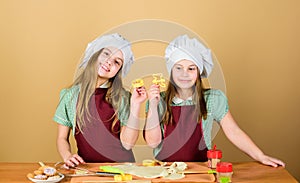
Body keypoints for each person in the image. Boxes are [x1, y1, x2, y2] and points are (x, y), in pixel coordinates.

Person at [144, 34, 285, 167]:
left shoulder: (213, 99)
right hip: (165, 170)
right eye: (178, 68)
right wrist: (153, 106)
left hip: (202, 169)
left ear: (199, 72)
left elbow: (234, 131)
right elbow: (152, 142)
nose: (184, 74)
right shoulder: (157, 100)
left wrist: (260, 156)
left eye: (191, 68)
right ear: (171, 71)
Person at [53, 33, 147, 167]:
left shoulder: (123, 97)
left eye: (117, 62)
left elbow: (128, 144)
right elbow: (62, 138)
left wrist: (136, 105)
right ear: (94, 54)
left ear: (119, 71)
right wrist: (67, 155)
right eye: (106, 54)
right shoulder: (70, 96)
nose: (109, 61)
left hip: (122, 169)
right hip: (88, 169)